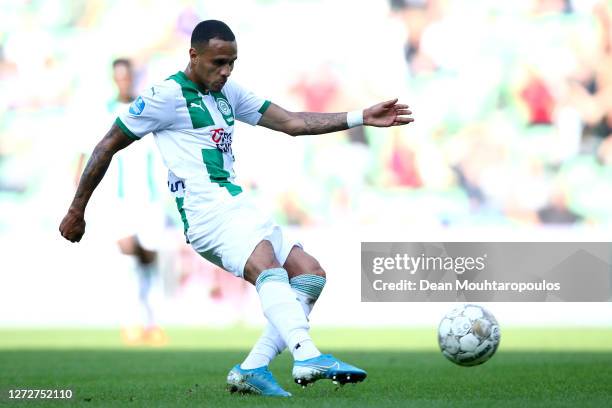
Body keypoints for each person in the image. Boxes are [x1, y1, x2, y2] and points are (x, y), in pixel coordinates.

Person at [60, 20, 414, 397]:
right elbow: (106, 145)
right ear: (193, 55)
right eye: (218, 62)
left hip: (236, 203)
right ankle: (306, 353)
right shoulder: (164, 96)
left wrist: (360, 116)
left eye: (232, 62)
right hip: (206, 211)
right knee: (268, 266)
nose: (226, 70)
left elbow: (292, 122)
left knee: (310, 275)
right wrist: (76, 210)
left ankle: (253, 367)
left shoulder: (228, 92)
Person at [74, 58, 168, 345]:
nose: (124, 82)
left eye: (128, 77)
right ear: (114, 79)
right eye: (119, 78)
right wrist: (78, 196)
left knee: (148, 259)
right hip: (118, 200)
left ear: (134, 78)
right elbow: (85, 151)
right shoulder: (103, 113)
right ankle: (132, 323)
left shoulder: (148, 111)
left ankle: (152, 323)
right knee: (128, 256)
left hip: (150, 199)